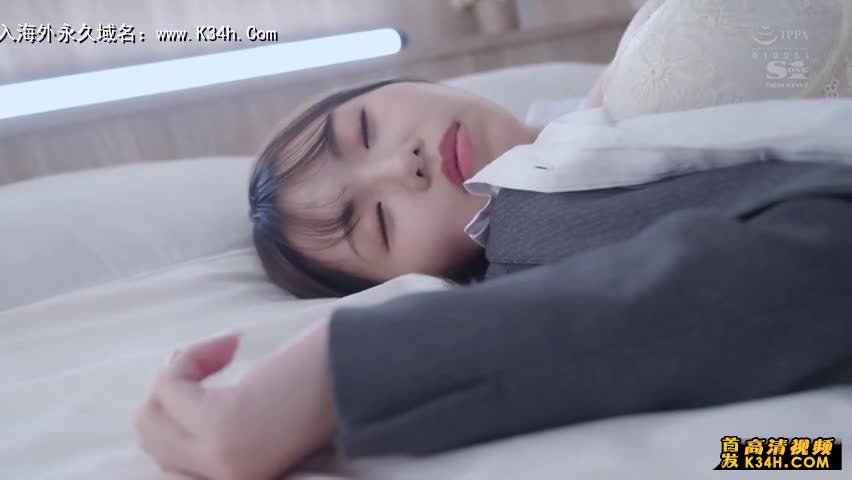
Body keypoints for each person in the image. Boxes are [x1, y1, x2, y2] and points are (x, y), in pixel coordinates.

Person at [134, 1, 852, 479]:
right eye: (379, 222)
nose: (404, 166)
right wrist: (338, 369)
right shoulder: (530, 245)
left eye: (366, 129)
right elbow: (763, 283)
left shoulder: (593, 98)